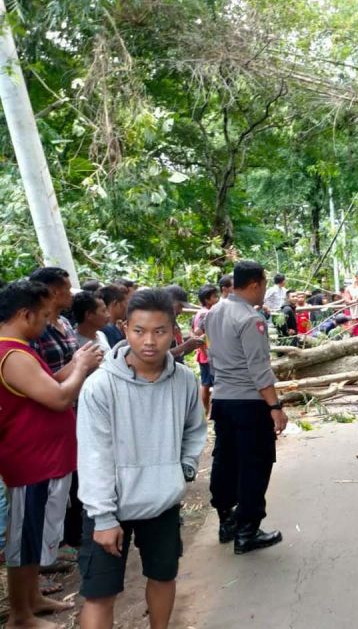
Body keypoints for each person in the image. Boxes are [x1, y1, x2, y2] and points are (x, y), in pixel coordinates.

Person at [76, 288, 207, 629]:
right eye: (139, 330)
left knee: (163, 576)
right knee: (100, 593)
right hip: (110, 507)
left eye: (160, 331)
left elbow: (195, 429)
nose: (149, 341)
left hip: (162, 502)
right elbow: (93, 455)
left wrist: (184, 468)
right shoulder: (100, 386)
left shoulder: (184, 381)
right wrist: (103, 517)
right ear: (124, 328)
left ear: (173, 332)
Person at [0, 280, 102, 629]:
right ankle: (20, 615)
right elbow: (59, 398)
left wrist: (75, 362)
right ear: (24, 314)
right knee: (24, 540)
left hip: (43, 458)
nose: (47, 323)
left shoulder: (20, 351)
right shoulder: (11, 354)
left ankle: (32, 600)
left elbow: (49, 384)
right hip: (31, 461)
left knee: (35, 535)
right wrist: (82, 368)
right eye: (44, 316)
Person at [204, 260, 287, 554]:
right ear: (254, 284)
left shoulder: (214, 312)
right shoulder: (251, 319)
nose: (264, 291)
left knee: (225, 459)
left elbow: (212, 355)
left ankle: (226, 518)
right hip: (249, 403)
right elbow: (259, 369)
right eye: (263, 285)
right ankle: (247, 530)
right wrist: (275, 405)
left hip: (223, 399)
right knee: (256, 463)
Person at [28, 267, 85, 551]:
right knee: (52, 487)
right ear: (51, 291)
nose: (70, 293)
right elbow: (44, 382)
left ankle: (72, 537)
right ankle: (51, 547)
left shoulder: (63, 322)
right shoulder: (33, 332)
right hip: (52, 411)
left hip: (75, 411)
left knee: (74, 479)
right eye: (65, 287)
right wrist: (80, 366)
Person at [192, 284, 221, 415]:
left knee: (206, 383)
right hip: (208, 354)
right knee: (214, 384)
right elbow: (198, 332)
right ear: (207, 299)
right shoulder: (206, 314)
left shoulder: (199, 313)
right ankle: (212, 411)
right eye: (215, 296)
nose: (217, 299)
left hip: (204, 354)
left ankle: (206, 411)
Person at [164, 285, 204, 362]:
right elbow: (159, 356)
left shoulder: (172, 320)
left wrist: (193, 342)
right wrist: (186, 345)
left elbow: (179, 351)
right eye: (180, 306)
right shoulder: (158, 324)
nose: (180, 311)